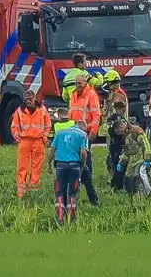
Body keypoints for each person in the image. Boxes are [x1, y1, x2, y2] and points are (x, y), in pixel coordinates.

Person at [47, 117, 89, 224]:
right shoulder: (82, 135)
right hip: (75, 166)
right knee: (73, 192)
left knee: (59, 191)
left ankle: (60, 217)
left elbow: (52, 149)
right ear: (82, 127)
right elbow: (83, 153)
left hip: (60, 166)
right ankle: (71, 218)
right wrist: (83, 165)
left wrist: (49, 164)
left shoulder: (60, 133)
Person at [10, 90, 51, 197]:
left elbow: (48, 125)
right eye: (26, 99)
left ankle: (34, 191)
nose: (28, 101)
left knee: (36, 167)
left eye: (30, 99)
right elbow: (14, 126)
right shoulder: (20, 111)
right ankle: (21, 193)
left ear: (34, 98)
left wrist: (44, 137)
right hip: (25, 141)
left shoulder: (42, 109)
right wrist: (18, 138)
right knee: (22, 167)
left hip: (38, 141)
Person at [68, 75, 101, 206]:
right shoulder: (73, 94)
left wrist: (93, 131)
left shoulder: (91, 95)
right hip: (74, 131)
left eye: (80, 83)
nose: (78, 85)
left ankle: (87, 179)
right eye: (76, 83)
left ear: (85, 83)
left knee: (85, 158)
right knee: (75, 157)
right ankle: (78, 180)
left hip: (86, 131)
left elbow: (96, 114)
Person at [102, 70, 129, 191]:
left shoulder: (117, 95)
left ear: (114, 82)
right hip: (115, 129)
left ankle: (116, 181)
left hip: (116, 130)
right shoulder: (113, 93)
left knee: (115, 155)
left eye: (108, 83)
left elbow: (115, 114)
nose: (107, 86)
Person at [118, 117, 151, 197]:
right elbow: (127, 152)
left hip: (142, 159)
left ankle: (142, 198)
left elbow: (146, 145)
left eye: (119, 130)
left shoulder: (136, 131)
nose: (119, 132)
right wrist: (121, 163)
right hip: (133, 161)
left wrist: (147, 159)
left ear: (122, 126)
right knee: (128, 178)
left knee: (138, 179)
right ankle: (132, 196)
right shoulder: (126, 136)